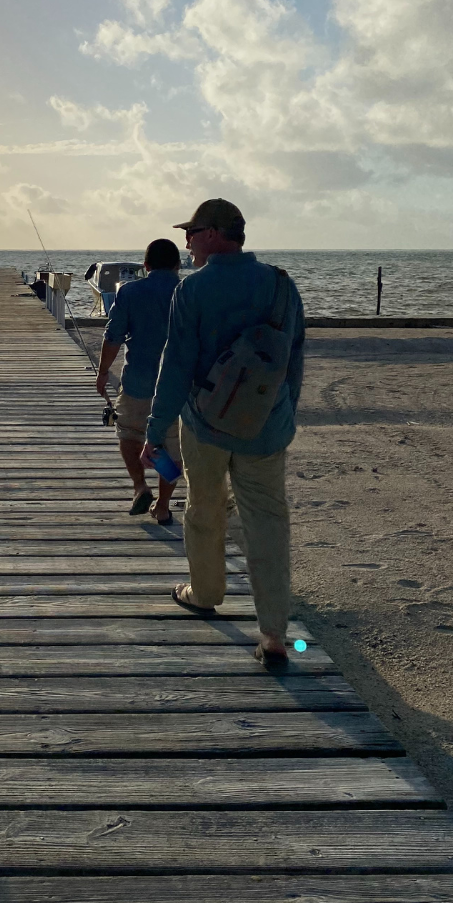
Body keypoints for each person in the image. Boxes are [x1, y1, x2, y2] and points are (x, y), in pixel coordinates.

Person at [142, 199, 305, 667]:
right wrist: (285, 413)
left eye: (192, 232)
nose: (187, 241)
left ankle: (206, 591)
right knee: (268, 522)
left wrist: (156, 429)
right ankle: (274, 632)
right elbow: (292, 359)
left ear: (214, 234)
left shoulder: (193, 291)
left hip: (206, 425)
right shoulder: (280, 284)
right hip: (266, 427)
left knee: (204, 506)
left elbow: (176, 367)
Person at [96, 239, 182, 525]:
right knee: (171, 448)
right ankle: (163, 505)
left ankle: (139, 486)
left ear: (145, 266)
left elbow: (113, 337)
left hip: (137, 382)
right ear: (177, 265)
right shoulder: (188, 292)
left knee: (128, 435)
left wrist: (103, 371)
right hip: (178, 387)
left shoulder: (130, 292)